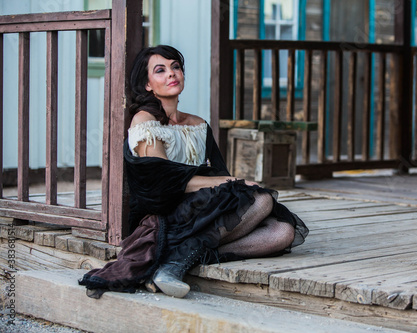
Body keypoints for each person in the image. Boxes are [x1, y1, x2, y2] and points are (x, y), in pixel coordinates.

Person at [79, 45, 308, 299]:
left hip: (202, 208)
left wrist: (228, 183)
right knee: (262, 199)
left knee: (283, 232)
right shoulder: (145, 122)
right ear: (147, 84)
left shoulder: (198, 124)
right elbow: (161, 181)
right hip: (165, 215)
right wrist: (232, 181)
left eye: (175, 67)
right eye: (160, 70)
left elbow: (220, 174)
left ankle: (180, 259)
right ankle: (174, 260)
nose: (171, 74)